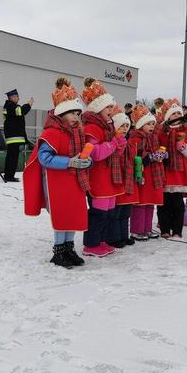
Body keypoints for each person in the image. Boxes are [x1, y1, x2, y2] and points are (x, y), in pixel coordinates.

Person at [23, 77, 92, 268]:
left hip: (75, 181)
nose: (76, 117)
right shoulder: (51, 133)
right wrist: (70, 162)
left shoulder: (78, 132)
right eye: (72, 113)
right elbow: (44, 158)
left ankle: (69, 248)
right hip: (57, 183)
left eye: (78, 113)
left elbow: (82, 154)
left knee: (73, 215)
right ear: (62, 113)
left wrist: (86, 162)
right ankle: (59, 251)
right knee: (62, 216)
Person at [81, 78, 126, 257]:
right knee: (98, 213)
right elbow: (96, 153)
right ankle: (90, 244)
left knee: (108, 213)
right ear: (98, 108)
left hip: (109, 177)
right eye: (108, 107)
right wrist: (115, 143)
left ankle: (101, 240)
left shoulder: (107, 126)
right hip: (98, 177)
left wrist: (120, 145)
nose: (111, 110)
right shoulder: (92, 127)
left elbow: (114, 152)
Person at [157, 98, 187, 241]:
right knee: (163, 204)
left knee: (178, 205)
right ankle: (164, 229)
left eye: (178, 113)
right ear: (168, 116)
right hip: (165, 172)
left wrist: (183, 146)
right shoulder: (161, 132)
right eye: (173, 114)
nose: (176, 116)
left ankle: (177, 230)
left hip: (180, 174)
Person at [128, 104, 166, 241]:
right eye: (148, 124)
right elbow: (135, 158)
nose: (151, 126)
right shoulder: (135, 138)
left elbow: (158, 150)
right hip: (142, 175)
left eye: (152, 124)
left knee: (150, 203)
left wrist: (161, 155)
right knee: (141, 204)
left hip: (153, 174)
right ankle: (137, 230)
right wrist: (150, 157)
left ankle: (147, 228)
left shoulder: (153, 138)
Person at [108, 106, 137, 248]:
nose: (125, 129)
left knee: (126, 210)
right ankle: (114, 237)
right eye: (121, 126)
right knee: (116, 211)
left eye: (127, 126)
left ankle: (124, 235)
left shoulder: (128, 141)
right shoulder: (114, 141)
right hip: (117, 179)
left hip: (127, 179)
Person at [3, 89, 34, 182]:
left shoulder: (10, 106)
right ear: (12, 97)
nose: (18, 98)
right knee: (12, 157)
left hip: (14, 136)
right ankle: (9, 176)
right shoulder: (10, 106)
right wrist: (28, 104)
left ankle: (9, 175)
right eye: (17, 96)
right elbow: (21, 111)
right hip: (13, 137)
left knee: (12, 157)